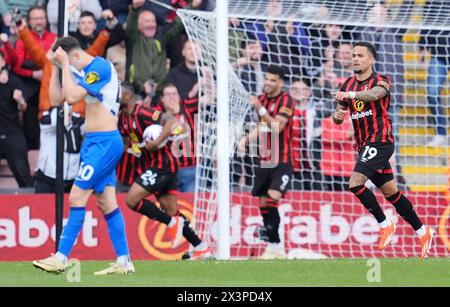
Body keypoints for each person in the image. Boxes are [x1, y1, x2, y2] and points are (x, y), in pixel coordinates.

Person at [33, 36, 134, 274]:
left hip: (105, 143)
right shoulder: (82, 71)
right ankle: (124, 261)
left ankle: (61, 257)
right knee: (106, 202)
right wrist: (54, 66)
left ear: (75, 55)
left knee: (77, 196)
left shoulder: (98, 67)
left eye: (67, 61)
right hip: (94, 143)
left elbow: (72, 97)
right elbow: (56, 99)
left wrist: (65, 65)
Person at [331, 42, 434, 259]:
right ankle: (423, 231)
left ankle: (385, 224)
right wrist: (337, 117)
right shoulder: (347, 84)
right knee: (391, 193)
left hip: (381, 141)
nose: (356, 59)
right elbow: (338, 116)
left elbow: (374, 95)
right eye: (354, 55)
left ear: (371, 60)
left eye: (360, 55)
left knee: (355, 183)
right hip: (364, 145)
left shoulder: (381, 80)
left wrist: (349, 97)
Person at [120, 87, 212, 260]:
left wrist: (157, 142)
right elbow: (128, 140)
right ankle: (201, 248)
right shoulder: (123, 118)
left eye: (118, 93)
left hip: (163, 164)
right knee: (171, 210)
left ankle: (172, 224)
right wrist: (134, 148)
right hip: (157, 165)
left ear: (127, 95)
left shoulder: (142, 112)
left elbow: (170, 121)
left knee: (131, 200)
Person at [238, 65, 294, 259]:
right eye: (267, 79)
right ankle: (275, 247)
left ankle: (274, 244)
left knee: (272, 198)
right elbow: (263, 126)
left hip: (282, 161)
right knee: (263, 204)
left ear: (280, 82)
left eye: (273, 80)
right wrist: (246, 139)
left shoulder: (286, 99)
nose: (268, 83)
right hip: (265, 160)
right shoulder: (261, 99)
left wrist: (259, 108)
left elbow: (277, 127)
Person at [0, 50, 33, 188]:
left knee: (23, 174)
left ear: (2, 62)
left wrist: (19, 100)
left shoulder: (14, 81)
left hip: (10, 132)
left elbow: (23, 107)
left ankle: (30, 201)